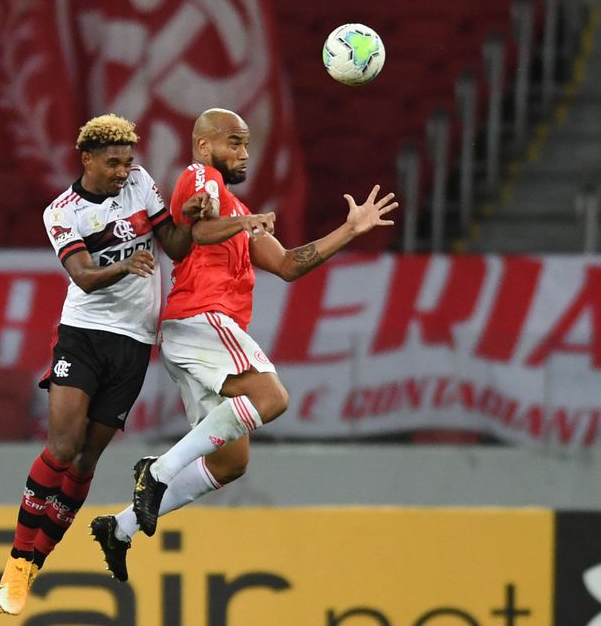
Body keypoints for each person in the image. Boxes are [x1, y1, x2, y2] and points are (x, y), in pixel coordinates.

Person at [90, 108, 398, 579]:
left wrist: (349, 231)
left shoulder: (235, 208)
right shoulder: (199, 177)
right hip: (202, 318)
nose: (244, 153)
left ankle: (122, 527)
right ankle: (156, 472)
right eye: (234, 142)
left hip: (192, 334)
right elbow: (198, 230)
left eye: (247, 144)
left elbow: (291, 265)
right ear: (203, 144)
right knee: (271, 397)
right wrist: (243, 221)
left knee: (230, 462)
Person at [0, 114, 213, 615]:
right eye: (113, 162)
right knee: (62, 448)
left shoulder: (141, 183)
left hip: (135, 342)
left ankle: (36, 562)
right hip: (85, 335)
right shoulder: (61, 211)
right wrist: (126, 265)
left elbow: (174, 246)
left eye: (128, 161)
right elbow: (84, 277)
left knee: (87, 461)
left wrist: (192, 219)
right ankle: (16, 555)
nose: (123, 171)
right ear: (87, 159)